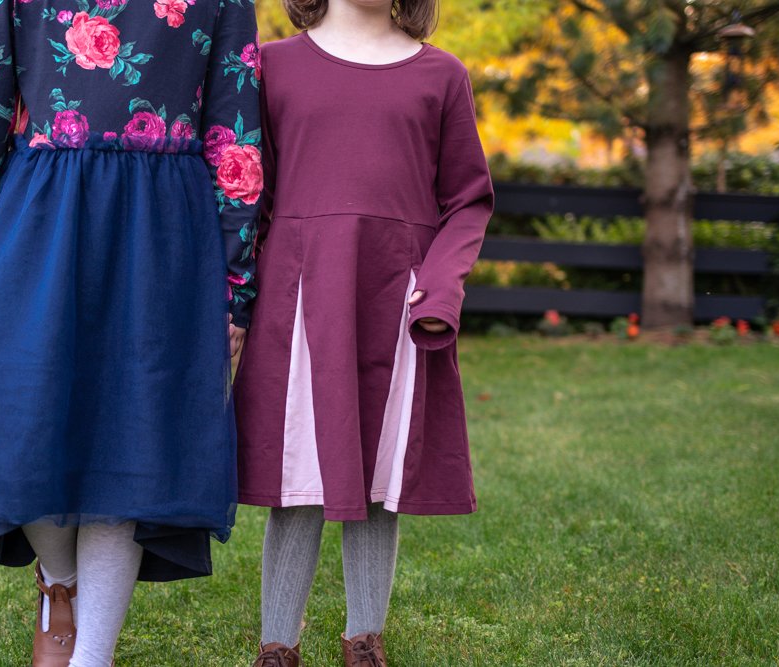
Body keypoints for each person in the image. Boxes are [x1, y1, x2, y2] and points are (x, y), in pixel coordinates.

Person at [0, 0, 261, 664]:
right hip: (41, 224)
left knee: (129, 438)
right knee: (26, 428)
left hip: (163, 237)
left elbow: (236, 133)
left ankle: (93, 654)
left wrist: (235, 286)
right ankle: (59, 584)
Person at [232, 0, 493, 663]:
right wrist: (230, 295)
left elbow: (467, 198)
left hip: (393, 297)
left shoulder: (442, 75)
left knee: (378, 473)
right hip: (301, 293)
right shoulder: (271, 67)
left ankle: (365, 641)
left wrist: (440, 284)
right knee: (300, 471)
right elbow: (245, 192)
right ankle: (276, 647)